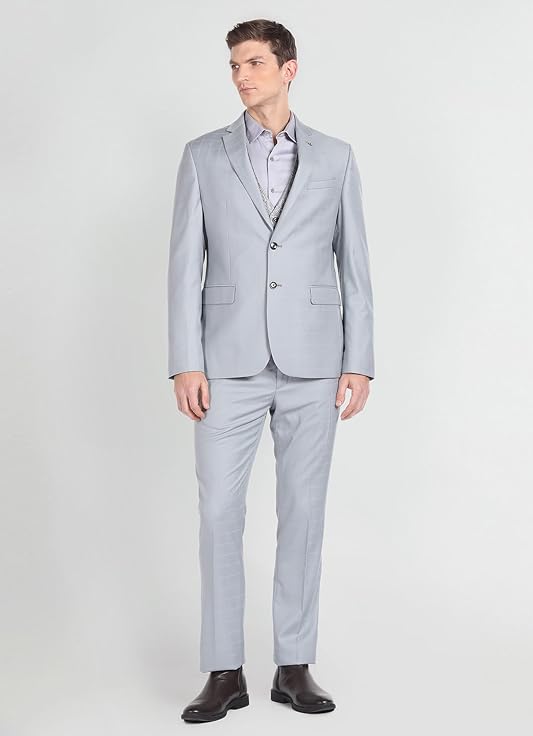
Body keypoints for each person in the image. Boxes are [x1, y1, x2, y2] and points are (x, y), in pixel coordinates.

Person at [167, 18, 375, 723]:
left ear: (289, 69)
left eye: (254, 62)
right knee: (218, 514)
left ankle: (293, 665)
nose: (240, 76)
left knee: (303, 513)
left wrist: (358, 361)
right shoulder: (203, 156)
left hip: (314, 362)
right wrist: (185, 361)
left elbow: (355, 266)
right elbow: (183, 266)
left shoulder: (335, 157)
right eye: (233, 65)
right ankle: (224, 671)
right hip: (225, 365)